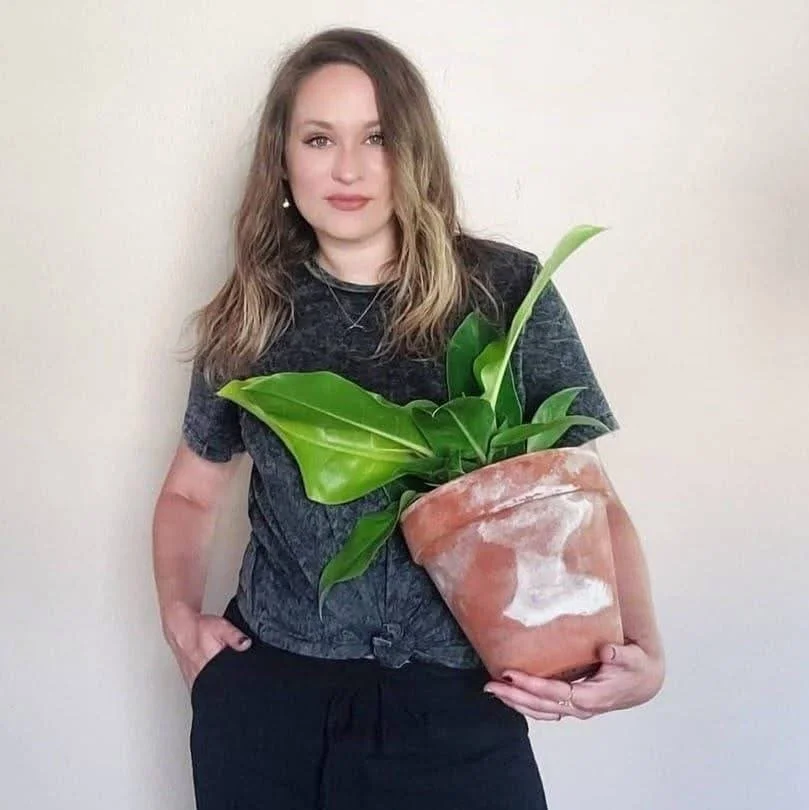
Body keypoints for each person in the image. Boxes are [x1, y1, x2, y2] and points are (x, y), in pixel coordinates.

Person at [152, 26, 665, 810]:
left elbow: (585, 497)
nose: (349, 168)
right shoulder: (250, 314)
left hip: (455, 706)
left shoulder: (500, 290)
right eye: (319, 138)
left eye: (378, 137)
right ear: (282, 160)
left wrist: (644, 652)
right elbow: (191, 492)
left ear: (414, 152)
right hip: (271, 707)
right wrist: (181, 622)